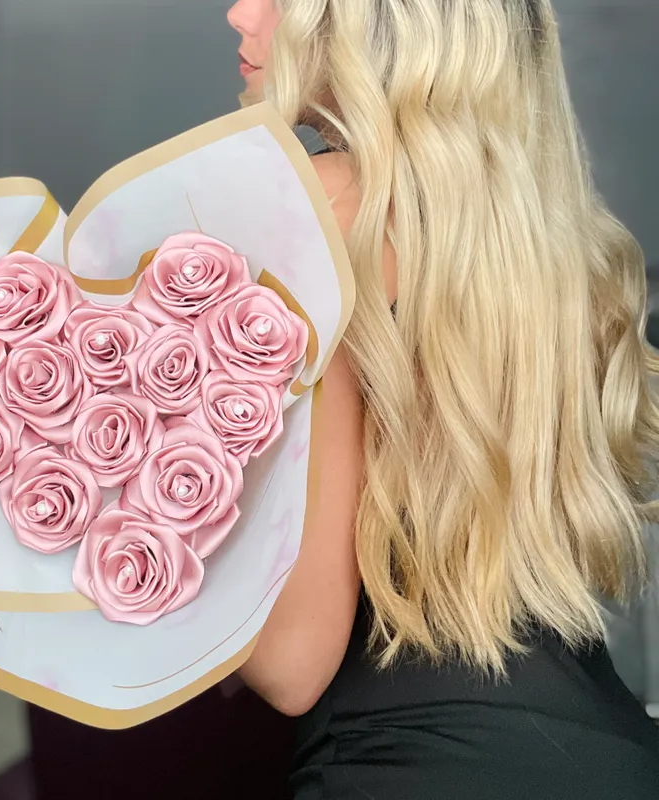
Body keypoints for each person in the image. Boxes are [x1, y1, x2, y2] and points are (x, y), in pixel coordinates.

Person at [226, 1, 659, 798]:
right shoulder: (536, 224)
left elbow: (292, 666)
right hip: (613, 750)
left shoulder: (310, 213)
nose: (238, 13)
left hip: (415, 763)